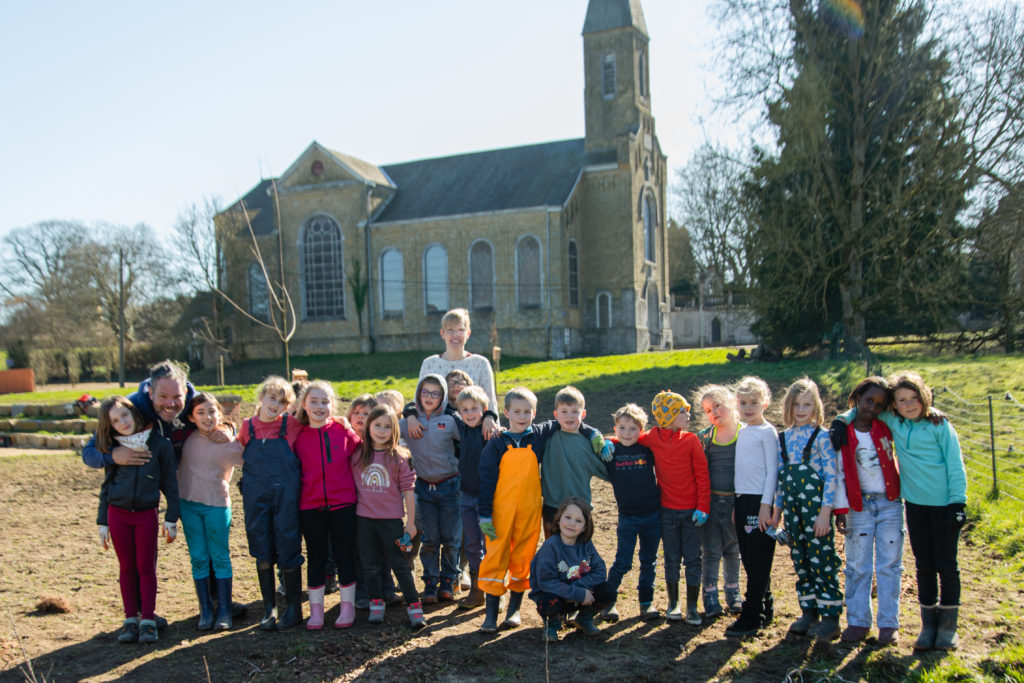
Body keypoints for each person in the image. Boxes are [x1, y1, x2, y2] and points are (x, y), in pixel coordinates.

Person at [832, 371, 966, 650]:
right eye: (902, 400)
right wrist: (840, 419)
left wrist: (958, 502)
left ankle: (929, 627)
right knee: (910, 565)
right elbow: (861, 408)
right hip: (898, 505)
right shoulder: (884, 422)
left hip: (916, 504)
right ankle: (876, 622)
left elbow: (955, 464)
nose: (908, 404)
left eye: (914, 398)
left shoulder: (927, 424)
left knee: (927, 565)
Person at [476, 387, 606, 633]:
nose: (522, 416)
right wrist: (484, 514)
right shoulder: (496, 444)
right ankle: (490, 614)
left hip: (529, 510)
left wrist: (594, 433)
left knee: (523, 556)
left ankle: (514, 610)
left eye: (527, 412)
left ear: (534, 413)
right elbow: (486, 481)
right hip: (500, 512)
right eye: (516, 412)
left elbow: (570, 419)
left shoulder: (538, 434)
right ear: (506, 413)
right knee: (495, 556)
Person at [95, 396, 179, 645]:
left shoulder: (160, 444)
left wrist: (171, 517)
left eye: (125, 415)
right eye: (115, 420)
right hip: (117, 514)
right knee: (126, 567)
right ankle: (130, 618)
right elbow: (107, 485)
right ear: (109, 425)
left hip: (146, 514)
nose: (122, 422)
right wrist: (103, 521)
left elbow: (170, 484)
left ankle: (148, 620)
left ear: (134, 413)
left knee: (146, 567)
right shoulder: (115, 448)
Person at [828, 377, 902, 645]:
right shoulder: (843, 432)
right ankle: (858, 621)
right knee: (858, 565)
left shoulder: (885, 427)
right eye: (869, 400)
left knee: (889, 565)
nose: (873, 407)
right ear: (858, 398)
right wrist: (840, 508)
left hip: (889, 504)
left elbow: (911, 413)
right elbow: (838, 472)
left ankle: (889, 624)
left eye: (880, 404)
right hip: (857, 506)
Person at [770, 378, 844, 641]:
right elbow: (781, 480)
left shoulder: (822, 437)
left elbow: (832, 477)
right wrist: (777, 513)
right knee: (800, 559)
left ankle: (831, 616)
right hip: (793, 512)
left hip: (816, 512)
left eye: (807, 405)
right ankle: (809, 611)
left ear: (816, 407)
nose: (801, 410)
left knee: (821, 560)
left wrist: (826, 513)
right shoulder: (783, 438)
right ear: (788, 407)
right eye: (796, 405)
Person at [294, 381, 362, 630]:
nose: (319, 406)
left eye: (325, 402)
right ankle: (316, 610)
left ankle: (347, 607)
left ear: (333, 405)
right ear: (304, 404)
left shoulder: (343, 431)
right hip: (310, 506)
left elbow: (362, 453)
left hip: (343, 503)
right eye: (314, 401)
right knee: (316, 557)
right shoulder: (297, 435)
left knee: (344, 555)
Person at [238, 376, 304, 631]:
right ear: (261, 397)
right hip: (256, 500)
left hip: (286, 499)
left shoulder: (291, 425)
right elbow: (236, 451)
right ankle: (269, 609)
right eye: (272, 398)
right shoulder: (247, 427)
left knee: (289, 548)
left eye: (282, 402)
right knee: (262, 550)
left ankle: (294, 608)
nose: (275, 405)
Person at [638, 391, 710, 625]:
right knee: (671, 558)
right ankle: (673, 603)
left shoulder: (691, 440)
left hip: (692, 513)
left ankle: (692, 606)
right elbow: (630, 438)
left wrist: (703, 507)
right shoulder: (653, 437)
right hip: (667, 511)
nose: (688, 415)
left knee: (693, 558)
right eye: (682, 411)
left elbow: (702, 475)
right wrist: (610, 441)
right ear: (667, 416)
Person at [353, 405, 426, 628]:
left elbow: (409, 491)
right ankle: (376, 603)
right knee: (370, 564)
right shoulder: (358, 454)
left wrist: (410, 523)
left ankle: (414, 606)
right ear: (368, 426)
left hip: (391, 522)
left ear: (394, 429)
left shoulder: (400, 457)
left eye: (387, 426)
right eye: (377, 425)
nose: (382, 431)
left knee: (400, 564)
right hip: (364, 521)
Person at [179, 393, 244, 631]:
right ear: (191, 417)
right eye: (201, 413)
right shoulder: (185, 438)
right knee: (198, 556)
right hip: (188, 505)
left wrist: (230, 429)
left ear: (219, 413)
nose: (207, 417)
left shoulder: (227, 442)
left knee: (220, 556)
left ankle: (224, 610)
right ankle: (205, 610)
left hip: (217, 504)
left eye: (212, 412)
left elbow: (250, 455)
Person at [400, 374, 462, 603]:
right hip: (424, 488)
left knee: (451, 538)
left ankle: (448, 580)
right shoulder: (408, 423)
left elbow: (471, 434)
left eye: (435, 393)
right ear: (418, 393)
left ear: (443, 397)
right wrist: (408, 414)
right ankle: (430, 582)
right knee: (430, 538)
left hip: (450, 486)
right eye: (425, 391)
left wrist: (489, 419)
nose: (429, 397)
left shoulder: (450, 421)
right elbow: (386, 432)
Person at [725, 376, 780, 637]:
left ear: (765, 403)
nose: (748, 408)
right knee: (748, 557)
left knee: (758, 558)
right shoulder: (743, 431)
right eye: (744, 402)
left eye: (754, 402)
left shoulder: (768, 432)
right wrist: (737, 504)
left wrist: (766, 505)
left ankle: (751, 615)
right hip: (743, 500)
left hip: (760, 501)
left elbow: (772, 472)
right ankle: (766, 606)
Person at [601, 403, 662, 622]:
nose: (627, 433)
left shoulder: (647, 449)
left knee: (649, 561)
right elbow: (598, 440)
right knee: (622, 562)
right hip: (627, 518)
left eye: (633, 429)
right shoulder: (611, 451)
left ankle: (646, 603)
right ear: (615, 428)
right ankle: (608, 602)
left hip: (653, 516)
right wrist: (607, 441)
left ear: (641, 431)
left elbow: (659, 437)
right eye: (622, 428)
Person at [529, 497, 614, 641]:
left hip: (582, 597)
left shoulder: (586, 545)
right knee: (547, 600)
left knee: (608, 591)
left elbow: (600, 573)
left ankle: (584, 619)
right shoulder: (550, 547)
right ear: (558, 519)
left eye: (578, 521)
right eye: (567, 517)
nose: (572, 523)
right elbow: (546, 582)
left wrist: (579, 591)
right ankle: (552, 624)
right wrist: (575, 593)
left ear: (585, 527)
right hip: (556, 597)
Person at [407, 308, 500, 438]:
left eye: (460, 330)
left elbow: (490, 403)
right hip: (439, 435)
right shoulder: (430, 364)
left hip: (474, 435)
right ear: (442, 333)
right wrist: (410, 416)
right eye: (450, 330)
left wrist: (492, 423)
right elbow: (419, 400)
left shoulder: (480, 363)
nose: (455, 335)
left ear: (468, 333)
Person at [346, 395, 401, 607]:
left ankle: (387, 587)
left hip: (379, 505)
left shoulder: (381, 441)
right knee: (359, 550)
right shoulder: (347, 439)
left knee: (383, 548)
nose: (360, 417)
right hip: (353, 502)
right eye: (356, 413)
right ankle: (362, 590)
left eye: (366, 413)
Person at [695, 384, 743, 618]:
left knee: (733, 549)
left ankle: (733, 593)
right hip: (711, 503)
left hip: (736, 503)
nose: (713, 412)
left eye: (717, 405)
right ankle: (710, 596)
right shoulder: (705, 437)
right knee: (711, 550)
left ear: (732, 403)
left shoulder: (745, 434)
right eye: (707, 410)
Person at [540, 386, 612, 539]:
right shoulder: (547, 438)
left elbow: (608, 470)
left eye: (574, 411)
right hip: (552, 506)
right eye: (564, 411)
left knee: (579, 549)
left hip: (580, 507)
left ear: (583, 414)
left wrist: (610, 442)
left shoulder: (588, 443)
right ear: (556, 414)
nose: (569, 416)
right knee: (553, 548)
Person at [452, 385, 496, 609]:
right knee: (471, 544)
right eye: (465, 409)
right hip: (466, 497)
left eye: (475, 408)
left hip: (488, 500)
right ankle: (478, 590)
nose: (470, 413)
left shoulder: (491, 433)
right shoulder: (462, 427)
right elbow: (446, 410)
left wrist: (490, 416)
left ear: (483, 408)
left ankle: (495, 590)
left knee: (491, 544)